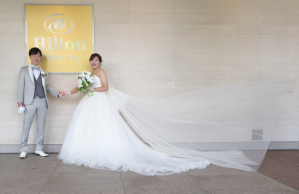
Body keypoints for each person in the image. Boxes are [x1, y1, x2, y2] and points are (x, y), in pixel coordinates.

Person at [58, 53, 294, 176]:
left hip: (99, 102)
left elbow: (106, 88)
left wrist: (92, 88)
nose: (94, 63)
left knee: (105, 129)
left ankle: (104, 151)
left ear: (100, 62)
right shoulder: (85, 74)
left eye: (96, 60)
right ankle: (90, 151)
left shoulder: (103, 73)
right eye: (92, 61)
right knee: (88, 129)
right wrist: (70, 92)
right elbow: (81, 86)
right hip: (89, 104)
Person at [18, 47, 66, 159]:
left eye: (38, 55)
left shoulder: (44, 72)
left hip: (42, 101)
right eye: (34, 55)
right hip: (29, 101)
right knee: (26, 125)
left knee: (41, 126)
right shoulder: (24, 70)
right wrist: (20, 101)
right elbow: (21, 86)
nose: (36, 57)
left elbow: (47, 88)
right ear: (30, 56)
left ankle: (39, 148)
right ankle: (23, 149)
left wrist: (58, 93)